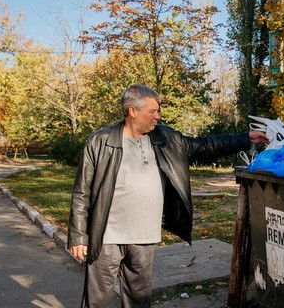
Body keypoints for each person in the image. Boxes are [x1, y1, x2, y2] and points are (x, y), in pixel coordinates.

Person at [67, 83, 268, 307]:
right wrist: (77, 236)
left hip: (144, 235)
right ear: (132, 111)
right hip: (106, 236)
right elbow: (81, 192)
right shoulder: (100, 141)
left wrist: (246, 138)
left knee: (138, 299)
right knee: (96, 300)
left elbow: (205, 146)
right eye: (152, 111)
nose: (157, 116)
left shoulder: (166, 139)